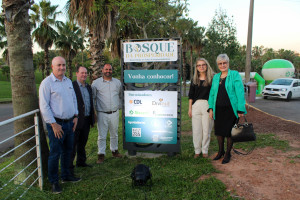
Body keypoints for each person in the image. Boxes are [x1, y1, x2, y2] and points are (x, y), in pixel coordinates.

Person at [39, 56, 81, 194]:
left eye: (63, 65)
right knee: (55, 154)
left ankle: (66, 176)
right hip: (56, 125)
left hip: (70, 123)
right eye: (59, 65)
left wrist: (75, 116)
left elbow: (74, 100)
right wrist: (53, 124)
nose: (62, 67)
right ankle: (54, 182)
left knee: (68, 152)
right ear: (53, 67)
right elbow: (44, 106)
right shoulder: (47, 83)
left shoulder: (68, 81)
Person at [208, 54, 247, 164]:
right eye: (220, 63)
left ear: (228, 63)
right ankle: (220, 151)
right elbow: (211, 94)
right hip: (218, 110)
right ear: (218, 65)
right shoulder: (216, 77)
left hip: (231, 109)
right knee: (219, 132)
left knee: (230, 133)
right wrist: (211, 108)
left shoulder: (234, 75)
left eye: (224, 63)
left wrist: (240, 109)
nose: (222, 65)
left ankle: (227, 153)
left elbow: (240, 92)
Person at [92, 64, 122, 164]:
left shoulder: (117, 83)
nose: (108, 71)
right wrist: (94, 112)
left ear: (112, 70)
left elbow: (120, 95)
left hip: (114, 112)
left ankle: (114, 151)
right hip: (102, 113)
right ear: (102, 70)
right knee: (102, 135)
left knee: (114, 133)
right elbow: (93, 98)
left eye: (110, 69)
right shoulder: (96, 83)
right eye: (106, 69)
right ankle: (101, 154)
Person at [70, 66, 95, 173]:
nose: (84, 75)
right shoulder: (72, 86)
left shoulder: (88, 87)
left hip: (87, 119)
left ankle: (81, 161)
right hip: (76, 120)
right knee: (73, 143)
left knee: (83, 142)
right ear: (77, 73)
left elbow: (90, 102)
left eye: (85, 73)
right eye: (82, 73)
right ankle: (69, 165)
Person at [188, 58, 214, 158]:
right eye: (199, 65)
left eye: (203, 65)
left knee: (206, 129)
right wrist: (190, 108)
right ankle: (197, 151)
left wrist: (212, 109)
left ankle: (205, 150)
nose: (201, 67)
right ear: (197, 67)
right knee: (196, 130)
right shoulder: (194, 80)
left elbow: (213, 95)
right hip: (196, 106)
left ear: (207, 66)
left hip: (207, 105)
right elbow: (191, 95)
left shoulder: (212, 79)